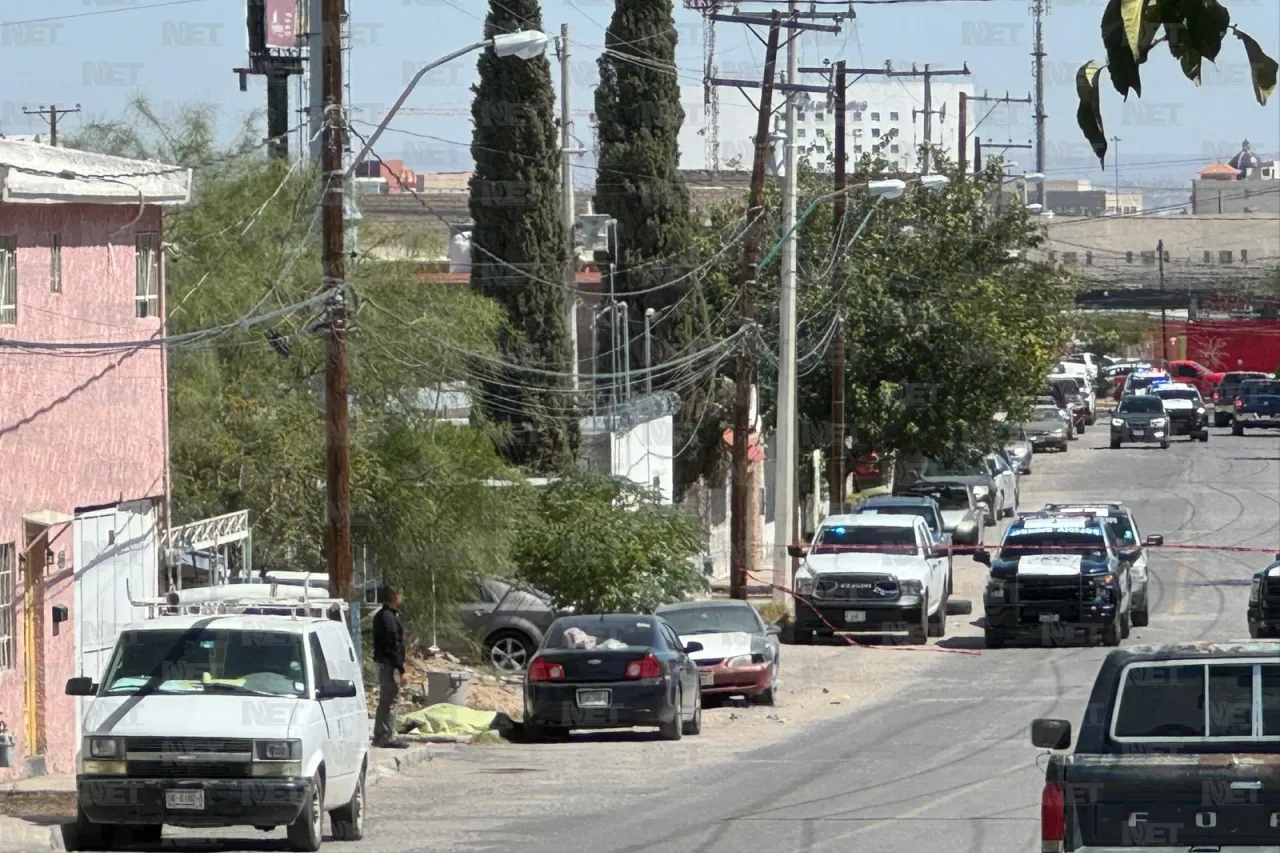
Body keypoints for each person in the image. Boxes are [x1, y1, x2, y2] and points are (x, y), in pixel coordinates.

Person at [372, 585, 408, 748]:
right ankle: (386, 735)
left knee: (386, 699)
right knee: (390, 699)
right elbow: (393, 645)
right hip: (389, 664)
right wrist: (401, 669)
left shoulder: (383, 615)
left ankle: (381, 733)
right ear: (395, 597)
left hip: (386, 662)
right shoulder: (388, 618)